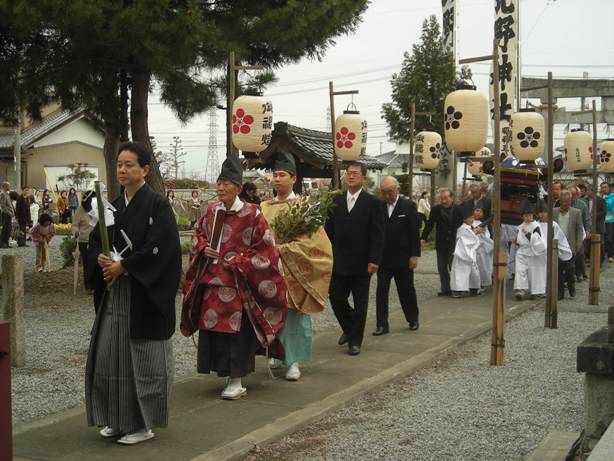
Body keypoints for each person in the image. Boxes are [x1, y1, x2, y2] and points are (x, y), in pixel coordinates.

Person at [85, 142, 182, 445]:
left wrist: (125, 266)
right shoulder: (112, 207)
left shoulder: (157, 204)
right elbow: (94, 242)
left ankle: (141, 424)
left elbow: (162, 248)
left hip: (142, 295)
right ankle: (116, 418)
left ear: (145, 170)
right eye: (119, 164)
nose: (123, 169)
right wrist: (100, 258)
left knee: (142, 361)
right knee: (110, 357)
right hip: (116, 295)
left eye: (129, 164)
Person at [181, 154, 287, 399]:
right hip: (212, 280)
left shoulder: (253, 214)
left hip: (239, 283)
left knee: (236, 333)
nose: (220, 187)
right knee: (214, 330)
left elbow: (266, 251)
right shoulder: (210, 212)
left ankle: (237, 378)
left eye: (226, 183)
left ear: (238, 188)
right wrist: (202, 248)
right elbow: (198, 237)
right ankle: (225, 373)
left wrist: (239, 261)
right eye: (218, 183)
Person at [260, 152, 333, 380]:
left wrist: (284, 249)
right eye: (274, 175)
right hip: (270, 267)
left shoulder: (304, 206)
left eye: (282, 175)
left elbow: (315, 242)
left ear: (294, 178)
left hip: (293, 269)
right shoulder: (264, 206)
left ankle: (294, 361)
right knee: (270, 313)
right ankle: (276, 352)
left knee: (295, 317)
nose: (277, 179)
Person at [325, 162, 385, 356]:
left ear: (364, 178)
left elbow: (378, 234)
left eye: (355, 174)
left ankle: (355, 341)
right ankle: (350, 328)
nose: (351, 176)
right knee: (336, 298)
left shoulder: (373, 203)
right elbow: (328, 232)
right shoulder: (336, 201)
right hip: (338, 261)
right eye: (348, 173)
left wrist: (374, 259)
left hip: (362, 263)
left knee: (361, 304)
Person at [373, 176, 420, 336]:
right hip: (384, 259)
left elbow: (414, 233)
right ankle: (381, 324)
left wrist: (414, 255)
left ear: (397, 190)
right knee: (381, 292)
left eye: (390, 192)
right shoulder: (379, 206)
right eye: (383, 193)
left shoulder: (408, 206)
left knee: (406, 290)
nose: (387, 196)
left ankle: (412, 318)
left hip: (403, 258)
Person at [420, 188, 461, 296]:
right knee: (442, 268)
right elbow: (429, 224)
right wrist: (423, 237)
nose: (443, 201)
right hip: (441, 242)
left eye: (446, 198)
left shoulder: (458, 209)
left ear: (451, 198)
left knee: (453, 266)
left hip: (454, 242)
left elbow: (463, 225)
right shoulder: (436, 209)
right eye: (441, 199)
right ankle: (445, 289)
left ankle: (455, 288)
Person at [535, 201, 573, 297]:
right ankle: (539, 290)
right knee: (538, 272)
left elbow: (559, 238)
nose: (542, 214)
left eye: (544, 212)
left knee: (556, 272)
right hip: (539, 253)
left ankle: (558, 292)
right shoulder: (536, 225)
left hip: (552, 251)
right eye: (540, 212)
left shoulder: (553, 225)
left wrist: (554, 248)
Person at [553, 190, 584, 299]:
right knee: (558, 270)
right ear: (559, 201)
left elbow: (580, 230)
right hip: (557, 246)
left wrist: (579, 242)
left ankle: (571, 285)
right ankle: (560, 292)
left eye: (567, 201)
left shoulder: (576, 212)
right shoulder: (554, 212)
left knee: (570, 269)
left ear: (570, 201)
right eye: (563, 202)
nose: (565, 204)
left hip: (571, 245)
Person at [512, 202, 545, 300]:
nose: (528, 218)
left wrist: (528, 235)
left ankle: (536, 291)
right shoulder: (521, 226)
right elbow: (520, 240)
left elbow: (539, 241)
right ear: (522, 216)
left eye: (530, 215)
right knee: (520, 270)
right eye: (526, 215)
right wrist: (516, 241)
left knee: (533, 272)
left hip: (533, 252)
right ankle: (520, 290)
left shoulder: (536, 226)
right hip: (522, 252)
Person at [450, 203, 481, 298]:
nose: (472, 220)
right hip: (461, 254)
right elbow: (466, 237)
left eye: (472, 218)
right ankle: (458, 290)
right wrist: (474, 233)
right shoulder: (462, 228)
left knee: (473, 272)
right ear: (464, 219)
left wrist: (475, 233)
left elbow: (472, 237)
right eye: (469, 218)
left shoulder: (470, 227)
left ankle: (474, 287)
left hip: (470, 253)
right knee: (460, 272)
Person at [71, 191, 96, 291]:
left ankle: (97, 284)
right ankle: (88, 286)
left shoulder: (98, 208)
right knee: (88, 264)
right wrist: (76, 231)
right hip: (84, 241)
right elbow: (74, 225)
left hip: (97, 241)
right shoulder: (80, 210)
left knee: (97, 263)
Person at [570, 185, 590, 281]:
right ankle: (571, 274)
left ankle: (580, 273)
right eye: (570, 194)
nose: (571, 196)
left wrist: (587, 230)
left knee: (580, 254)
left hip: (580, 232)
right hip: (568, 232)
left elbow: (587, 219)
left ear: (578, 195)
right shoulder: (564, 203)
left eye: (573, 194)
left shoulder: (582, 204)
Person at [583, 184, 606, 265]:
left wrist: (593, 215)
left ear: (593, 191)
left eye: (588, 190)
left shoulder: (601, 200)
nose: (587, 192)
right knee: (589, 243)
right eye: (587, 190)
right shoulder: (584, 200)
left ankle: (600, 261)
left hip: (598, 225)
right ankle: (591, 259)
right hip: (588, 226)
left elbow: (603, 212)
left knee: (599, 243)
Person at [472, 206, 493, 288]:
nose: (478, 213)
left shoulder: (484, 224)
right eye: (477, 210)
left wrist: (483, 233)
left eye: (480, 212)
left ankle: (482, 283)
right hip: (473, 248)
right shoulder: (470, 222)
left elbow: (488, 236)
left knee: (482, 267)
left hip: (481, 248)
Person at [0, 182, 14, 248]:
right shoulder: (2, 194)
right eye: (8, 186)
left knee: (8, 229)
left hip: (9, 214)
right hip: (6, 214)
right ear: (5, 187)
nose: (9, 187)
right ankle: (2, 243)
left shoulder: (7, 194)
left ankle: (6, 243)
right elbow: (3, 206)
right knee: (5, 229)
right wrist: (9, 213)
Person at [606, 183, 614, 262]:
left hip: (610, 219)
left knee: (609, 237)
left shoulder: (611, 196)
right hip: (604, 220)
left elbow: (610, 207)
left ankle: (610, 254)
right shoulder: (602, 196)